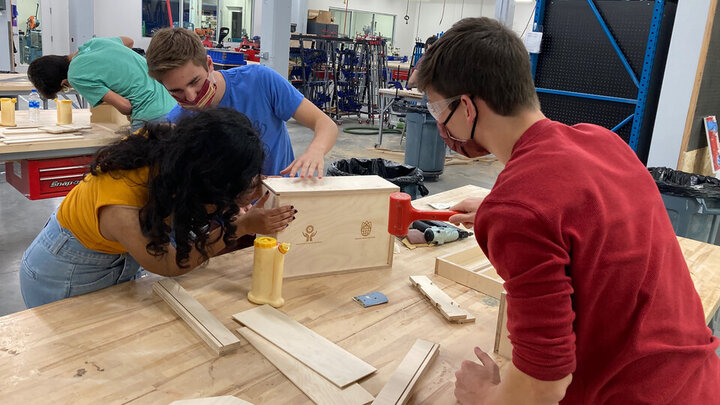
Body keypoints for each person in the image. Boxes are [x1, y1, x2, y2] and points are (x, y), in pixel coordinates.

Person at [415, 17, 720, 404]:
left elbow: (543, 384)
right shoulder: (602, 141)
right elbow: (572, 212)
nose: (439, 122)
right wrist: (499, 207)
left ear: (469, 107)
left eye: (438, 108)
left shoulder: (519, 208)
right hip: (698, 381)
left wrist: (484, 397)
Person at [19, 108, 296, 308]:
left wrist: (239, 196)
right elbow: (169, 263)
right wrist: (241, 226)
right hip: (67, 273)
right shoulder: (123, 207)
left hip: (112, 254)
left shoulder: (181, 148)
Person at [144, 28, 338, 178]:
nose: (192, 98)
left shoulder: (260, 81)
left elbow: (325, 124)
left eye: (195, 82)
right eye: (176, 91)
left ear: (209, 64)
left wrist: (316, 151)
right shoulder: (177, 124)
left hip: (283, 202)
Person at [27, 36, 177, 130]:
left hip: (150, 117)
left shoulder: (75, 76)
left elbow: (126, 106)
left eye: (65, 89)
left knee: (143, 175)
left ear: (64, 82)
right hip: (174, 104)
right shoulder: (94, 43)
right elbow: (129, 41)